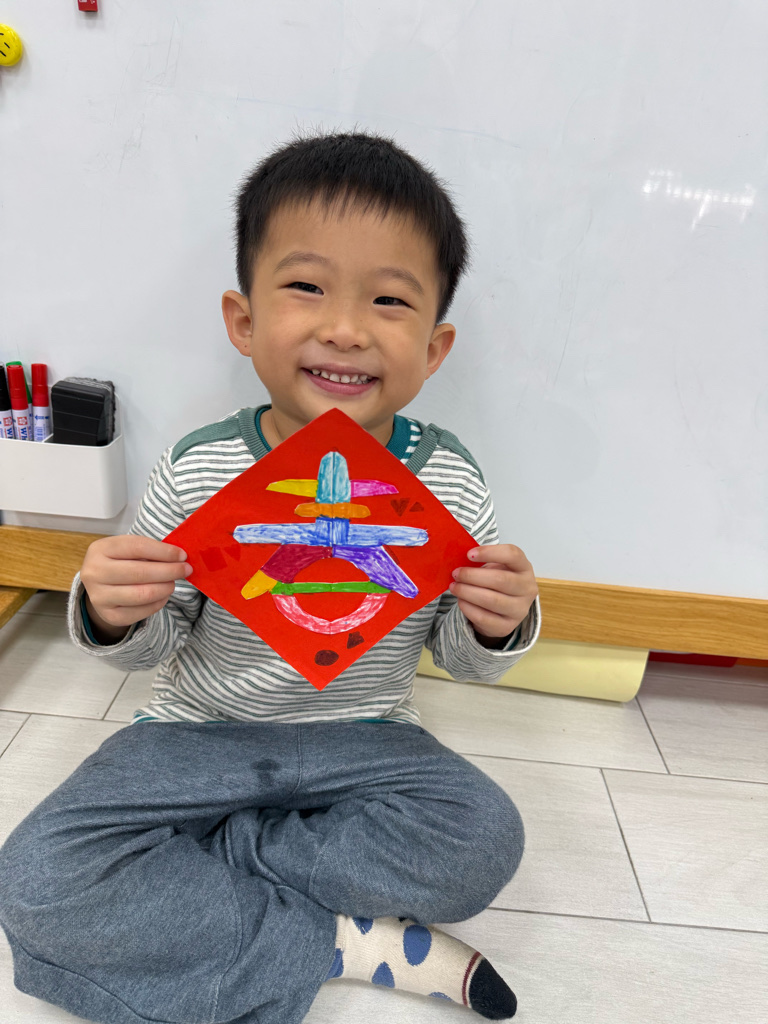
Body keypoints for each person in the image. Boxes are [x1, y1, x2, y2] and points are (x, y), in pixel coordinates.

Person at [0, 129, 541, 1024]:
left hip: (369, 738)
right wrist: (113, 612)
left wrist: (496, 622)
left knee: (484, 839)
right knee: (35, 878)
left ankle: (210, 869)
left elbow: (463, 657)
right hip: (196, 733)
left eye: (390, 300)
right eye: (307, 287)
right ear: (244, 320)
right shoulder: (198, 466)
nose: (346, 328)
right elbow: (152, 648)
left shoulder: (450, 478)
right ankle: (345, 944)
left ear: (435, 347)